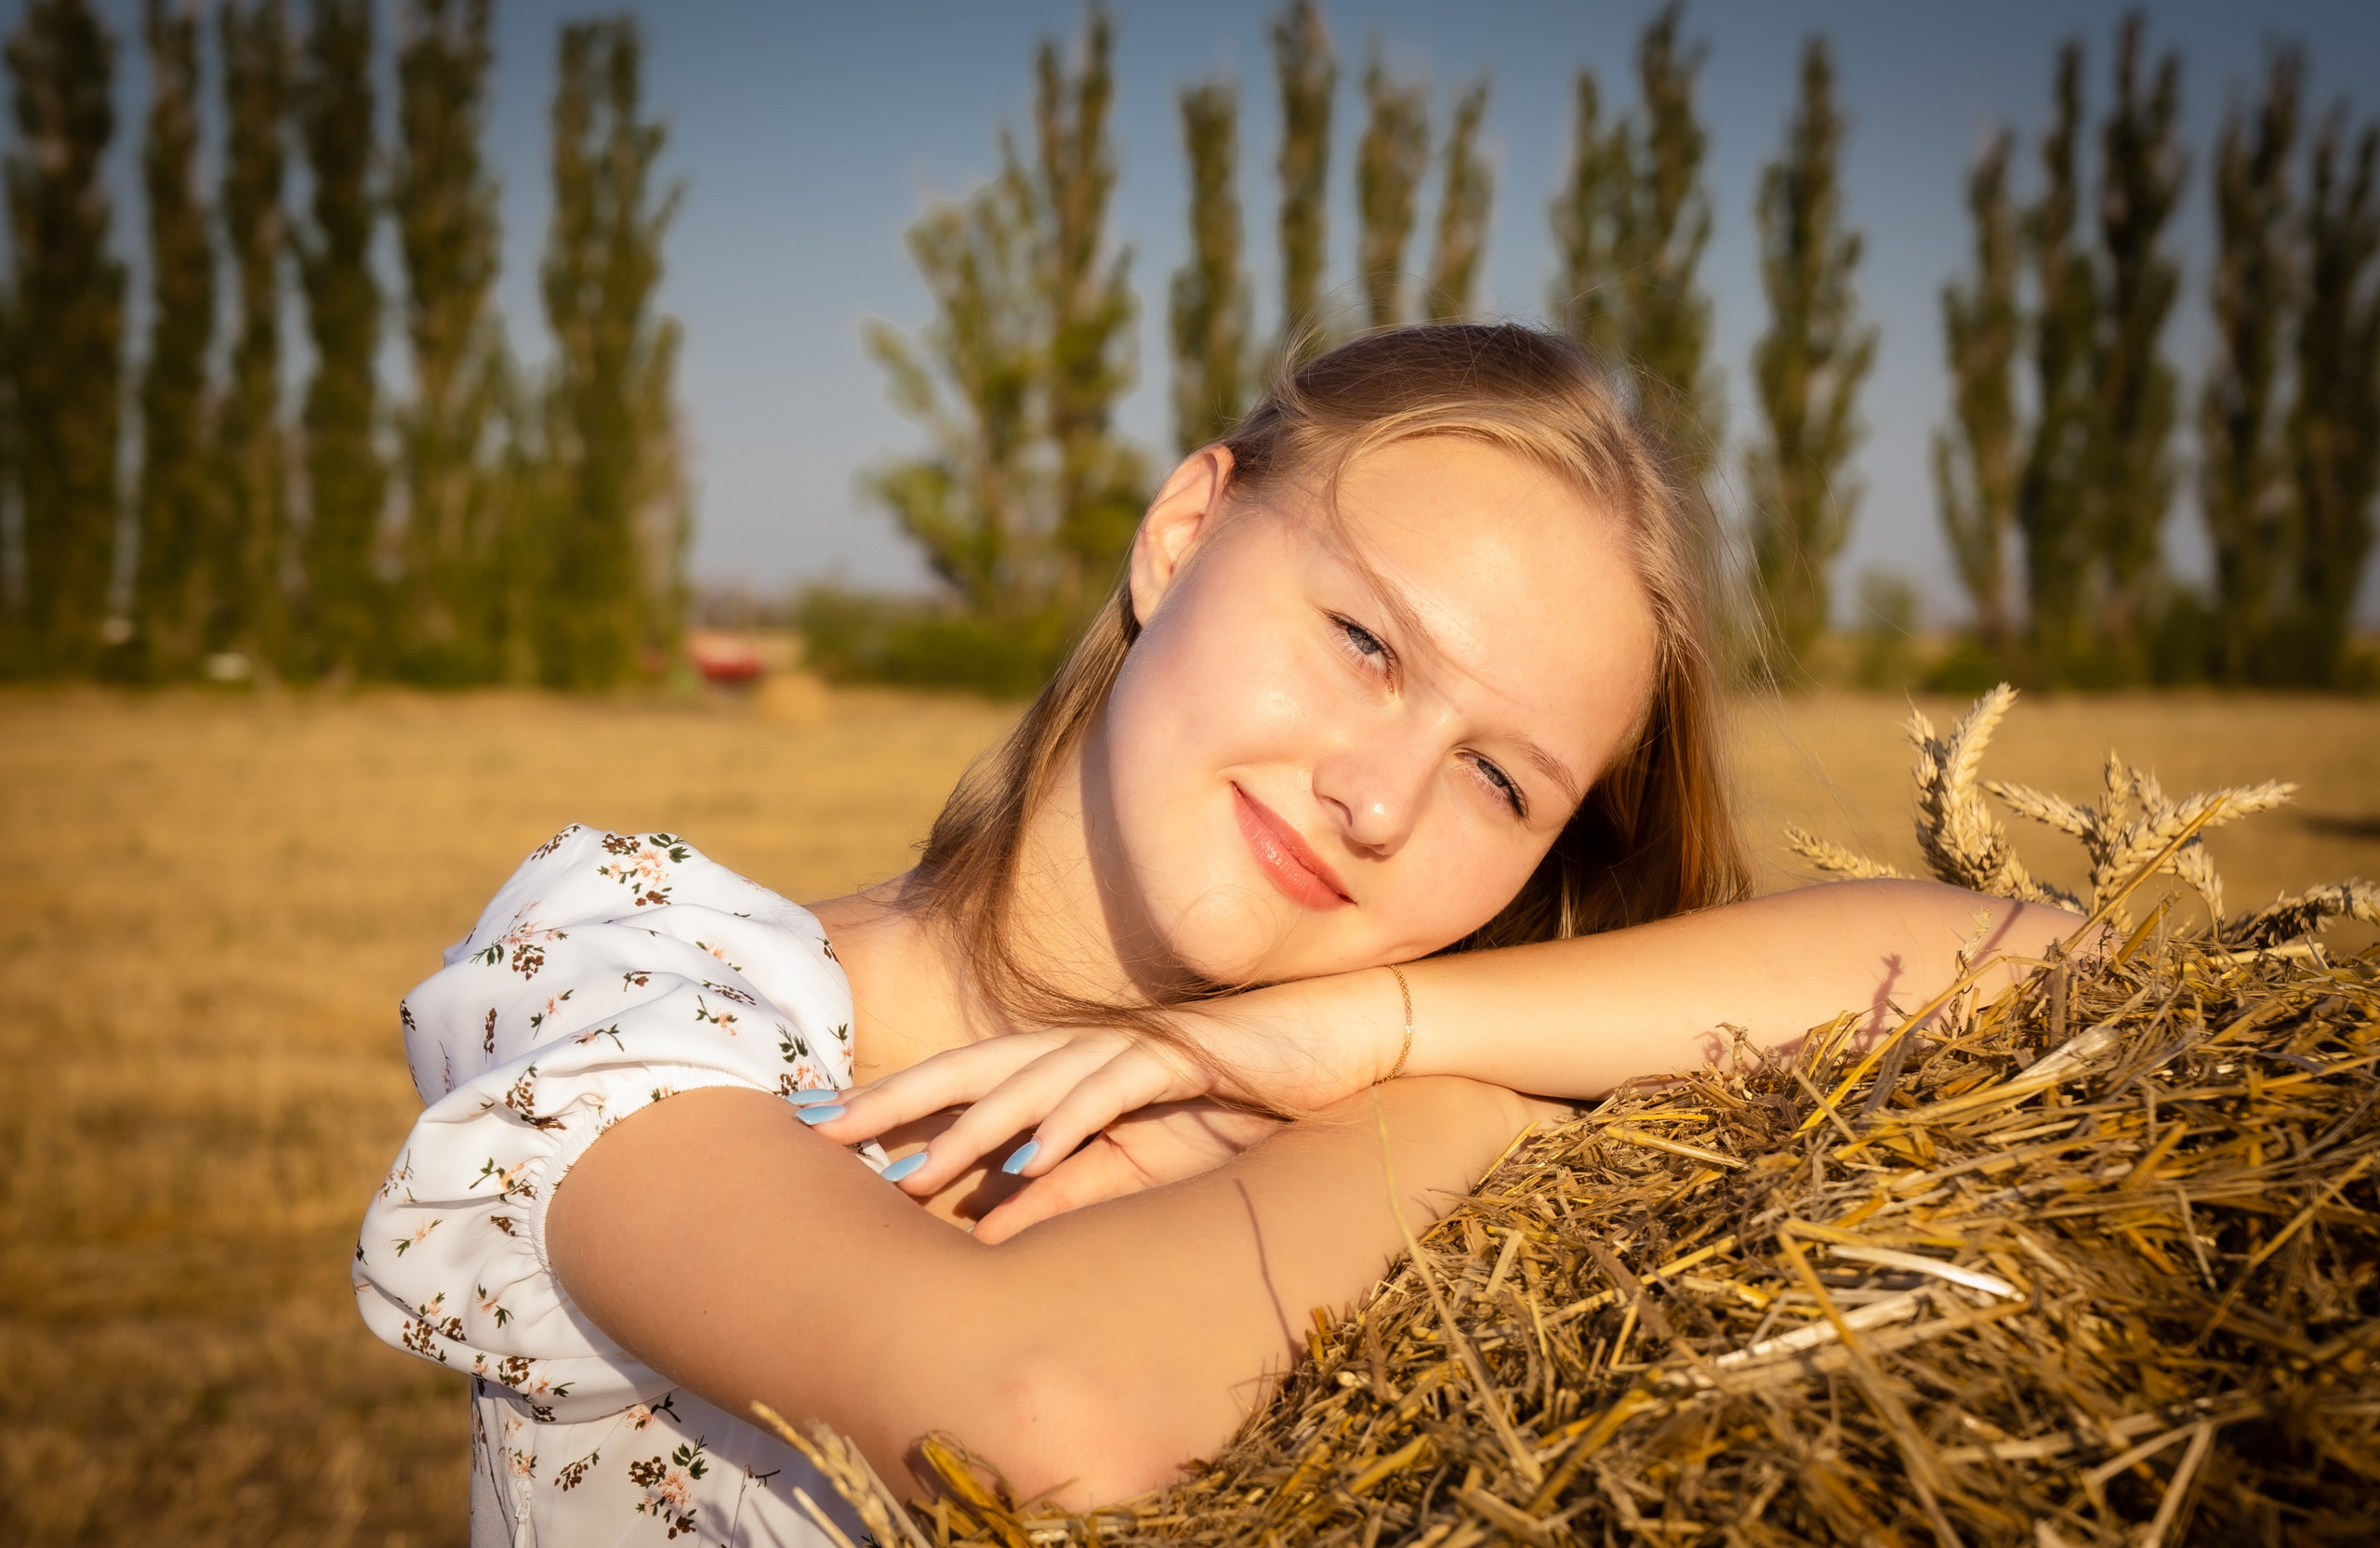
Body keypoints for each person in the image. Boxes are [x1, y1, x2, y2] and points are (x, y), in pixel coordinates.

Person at [356, 324, 2079, 1545]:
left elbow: (2050, 967)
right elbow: (1037, 1429)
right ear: (1183, 536)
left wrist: (1369, 1036)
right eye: (1365, 641)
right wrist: (1470, 1109)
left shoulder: (1354, 1100)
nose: (1383, 797)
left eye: (1500, 775)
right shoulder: (637, 981)